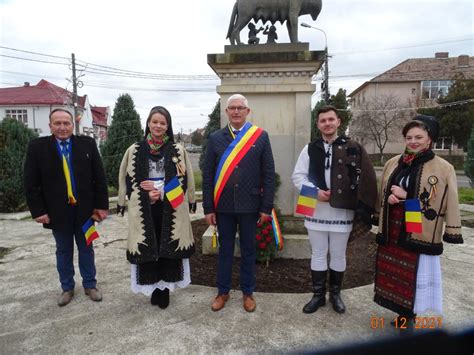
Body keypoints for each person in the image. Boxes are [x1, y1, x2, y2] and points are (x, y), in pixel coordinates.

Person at [373, 115, 463, 327]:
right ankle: (400, 310)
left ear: (429, 139)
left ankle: (409, 315)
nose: (413, 141)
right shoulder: (393, 163)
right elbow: (383, 192)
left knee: (415, 268)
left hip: (418, 225)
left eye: (418, 137)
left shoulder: (443, 167)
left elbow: (449, 199)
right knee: (395, 270)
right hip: (393, 225)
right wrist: (390, 198)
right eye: (409, 137)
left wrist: (406, 196)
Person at [292, 105, 377, 314]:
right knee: (318, 254)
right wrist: (315, 193)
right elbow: (297, 176)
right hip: (315, 209)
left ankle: (336, 295)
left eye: (331, 119)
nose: (327, 123)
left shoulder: (354, 147)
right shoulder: (310, 148)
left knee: (338, 255)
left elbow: (365, 177)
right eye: (323, 120)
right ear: (318, 124)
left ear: (339, 122)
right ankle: (318, 296)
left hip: (342, 211)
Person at [24, 108, 109, 307]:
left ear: (72, 124)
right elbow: (31, 183)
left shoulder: (87, 144)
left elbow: (100, 178)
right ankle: (67, 287)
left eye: (66, 123)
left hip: (85, 212)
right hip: (57, 212)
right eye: (58, 123)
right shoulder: (38, 148)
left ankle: (90, 285)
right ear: (50, 126)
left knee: (86, 249)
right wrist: (39, 211)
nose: (62, 127)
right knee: (63, 250)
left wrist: (101, 206)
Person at [202, 94, 275, 312]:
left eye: (240, 108)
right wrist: (208, 208)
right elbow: (207, 175)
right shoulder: (215, 138)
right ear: (226, 112)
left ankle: (248, 292)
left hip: (250, 206)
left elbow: (268, 174)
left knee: (248, 251)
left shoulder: (260, 137)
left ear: (247, 111)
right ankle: (222, 292)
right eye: (232, 108)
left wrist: (265, 207)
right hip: (223, 206)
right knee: (224, 251)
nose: (236, 111)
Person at [117, 106, 196, 309]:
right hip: (146, 209)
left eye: (163, 123)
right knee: (149, 246)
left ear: (167, 126)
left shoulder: (177, 151)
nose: (158, 126)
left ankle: (165, 289)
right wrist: (146, 195)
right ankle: (153, 288)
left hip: (171, 208)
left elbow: (183, 180)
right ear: (148, 124)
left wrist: (160, 192)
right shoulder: (134, 150)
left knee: (169, 246)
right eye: (155, 122)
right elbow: (128, 182)